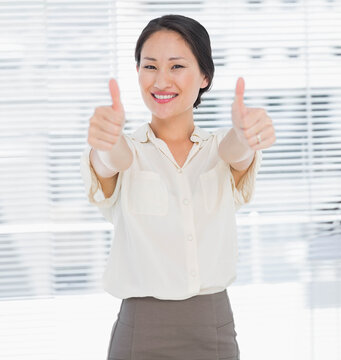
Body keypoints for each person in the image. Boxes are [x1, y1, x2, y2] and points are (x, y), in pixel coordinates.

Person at [79, 14, 275, 359]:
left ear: (204, 76)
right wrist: (105, 143)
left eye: (177, 66)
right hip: (141, 330)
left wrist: (247, 136)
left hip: (212, 327)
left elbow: (235, 151)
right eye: (150, 66)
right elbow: (112, 160)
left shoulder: (219, 150)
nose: (161, 80)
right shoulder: (128, 150)